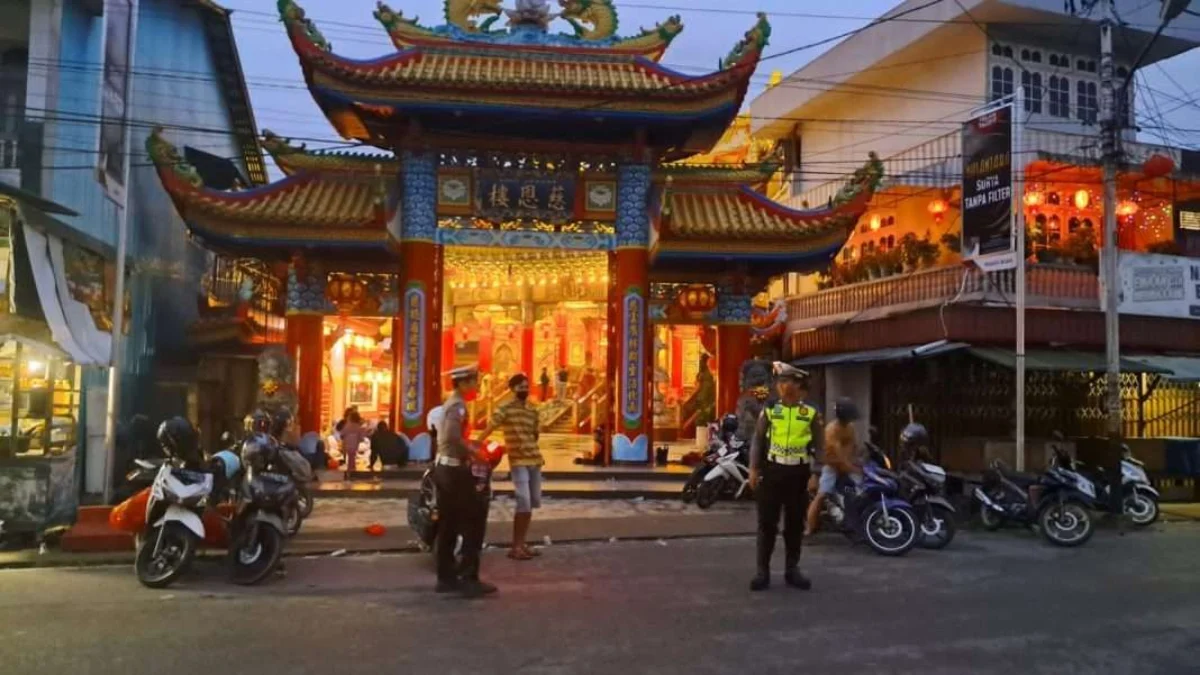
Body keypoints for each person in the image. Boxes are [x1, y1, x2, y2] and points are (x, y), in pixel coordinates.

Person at [747, 363, 820, 592]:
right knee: (766, 524)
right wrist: (753, 468)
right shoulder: (770, 410)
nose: (782, 386)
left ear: (799, 385)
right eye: (780, 382)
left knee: (794, 524)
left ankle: (792, 569)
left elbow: (820, 446)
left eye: (787, 382)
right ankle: (762, 572)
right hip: (772, 472)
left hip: (798, 474)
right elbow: (758, 440)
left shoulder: (810, 413)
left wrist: (815, 473)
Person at [432, 366, 497, 597]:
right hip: (454, 471)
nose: (477, 386)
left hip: (445, 467)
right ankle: (468, 577)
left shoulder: (453, 403)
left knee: (449, 524)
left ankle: (446, 577)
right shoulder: (457, 406)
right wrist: (473, 450)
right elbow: (452, 436)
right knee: (473, 521)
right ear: (461, 383)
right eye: (473, 381)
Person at [478, 373, 544, 561]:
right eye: (520, 387)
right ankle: (515, 546)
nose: (524, 390)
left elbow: (535, 434)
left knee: (531, 503)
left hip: (535, 459)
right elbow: (490, 426)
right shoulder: (505, 408)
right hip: (518, 461)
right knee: (523, 501)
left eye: (526, 386)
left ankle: (522, 543)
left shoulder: (533, 410)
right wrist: (475, 445)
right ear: (512, 389)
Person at [805, 397, 863, 537]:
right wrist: (851, 467)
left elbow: (854, 446)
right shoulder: (831, 430)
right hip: (831, 466)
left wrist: (858, 461)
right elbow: (838, 455)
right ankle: (809, 528)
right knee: (822, 495)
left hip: (845, 465)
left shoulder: (850, 428)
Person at [339, 407, 364, 478]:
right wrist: (360, 440)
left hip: (347, 443)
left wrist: (343, 438)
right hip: (355, 444)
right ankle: (352, 470)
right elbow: (361, 436)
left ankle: (350, 471)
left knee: (350, 457)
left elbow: (342, 434)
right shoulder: (358, 426)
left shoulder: (347, 426)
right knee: (352, 457)